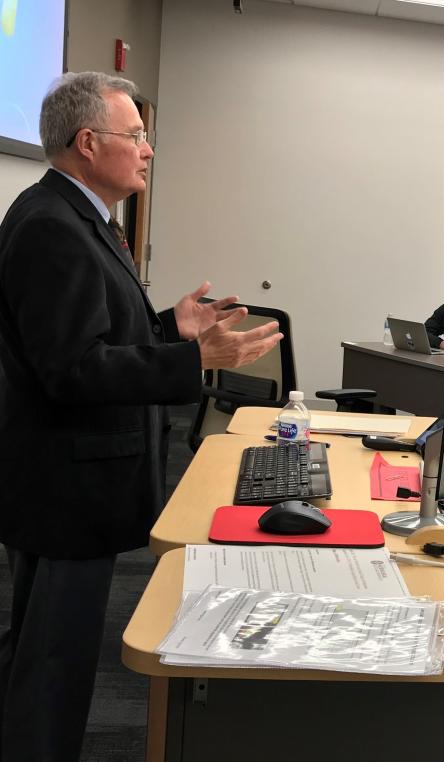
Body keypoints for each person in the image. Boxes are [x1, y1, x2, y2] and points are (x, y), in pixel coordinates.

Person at [0, 71, 283, 760]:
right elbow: (72, 371)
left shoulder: (77, 218)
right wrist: (197, 363)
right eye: (137, 136)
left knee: (44, 651)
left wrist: (169, 327)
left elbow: (92, 338)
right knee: (52, 662)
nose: (148, 149)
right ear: (88, 142)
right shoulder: (51, 226)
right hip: (65, 489)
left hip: (66, 481)